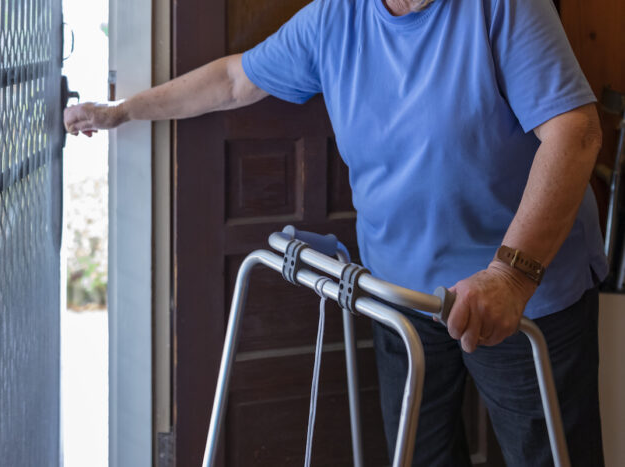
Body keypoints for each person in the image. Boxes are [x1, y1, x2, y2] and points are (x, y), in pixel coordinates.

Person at [64, 0, 607, 464]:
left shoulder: (502, 7)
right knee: (419, 455)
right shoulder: (335, 17)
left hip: (522, 298)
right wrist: (123, 110)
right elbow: (234, 80)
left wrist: (509, 276)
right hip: (404, 298)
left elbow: (574, 132)